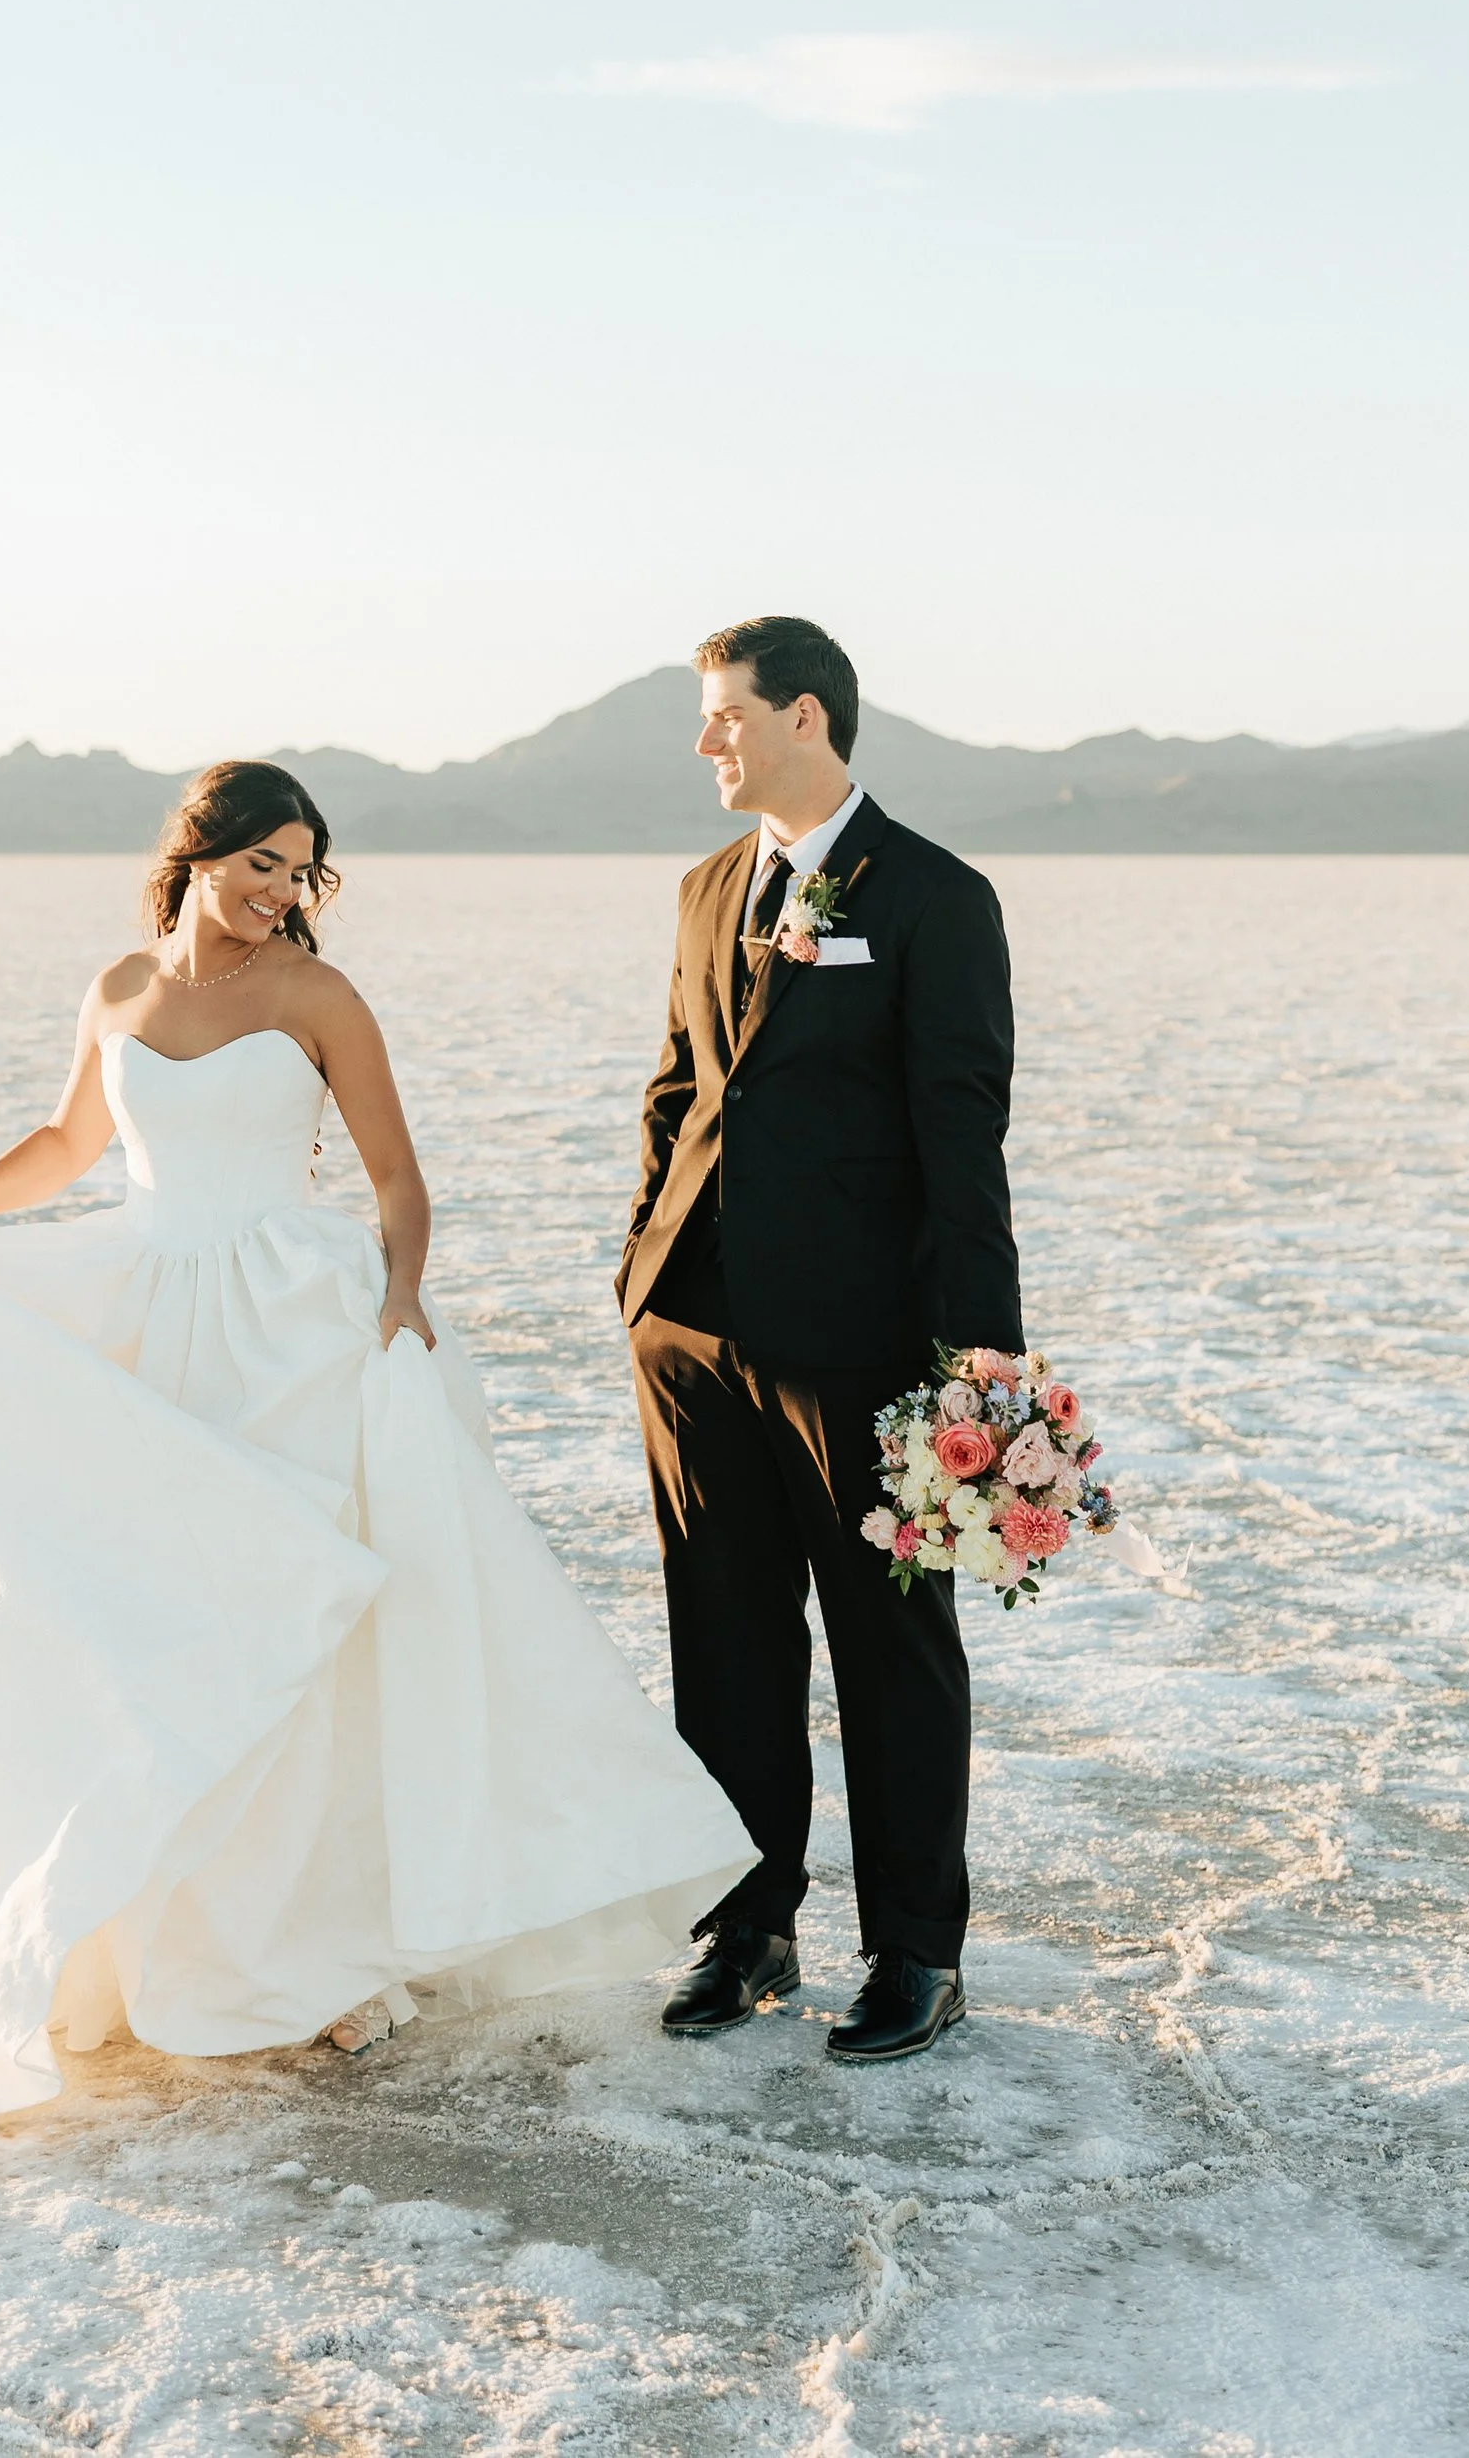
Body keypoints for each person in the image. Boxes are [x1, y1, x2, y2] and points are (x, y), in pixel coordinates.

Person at [0, 760, 747, 2123]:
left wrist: (403, 1290)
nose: (281, 894)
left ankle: (314, 1948)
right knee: (155, 1631)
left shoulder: (317, 997)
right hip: (140, 1323)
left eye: (302, 872)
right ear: (199, 853)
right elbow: (72, 1138)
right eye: (262, 865)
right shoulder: (119, 988)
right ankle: (149, 1941)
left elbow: (396, 1175)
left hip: (284, 1328)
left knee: (293, 1626)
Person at [618, 619, 1024, 2062]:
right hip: (692, 1329)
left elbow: (961, 1140)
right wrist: (641, 1276)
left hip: (860, 1344)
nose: (707, 741)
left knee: (889, 1644)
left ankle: (919, 1950)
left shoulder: (933, 895)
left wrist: (985, 1359)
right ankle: (750, 1926)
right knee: (722, 1639)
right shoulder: (705, 887)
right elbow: (679, 1087)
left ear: (804, 716)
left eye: (725, 716)